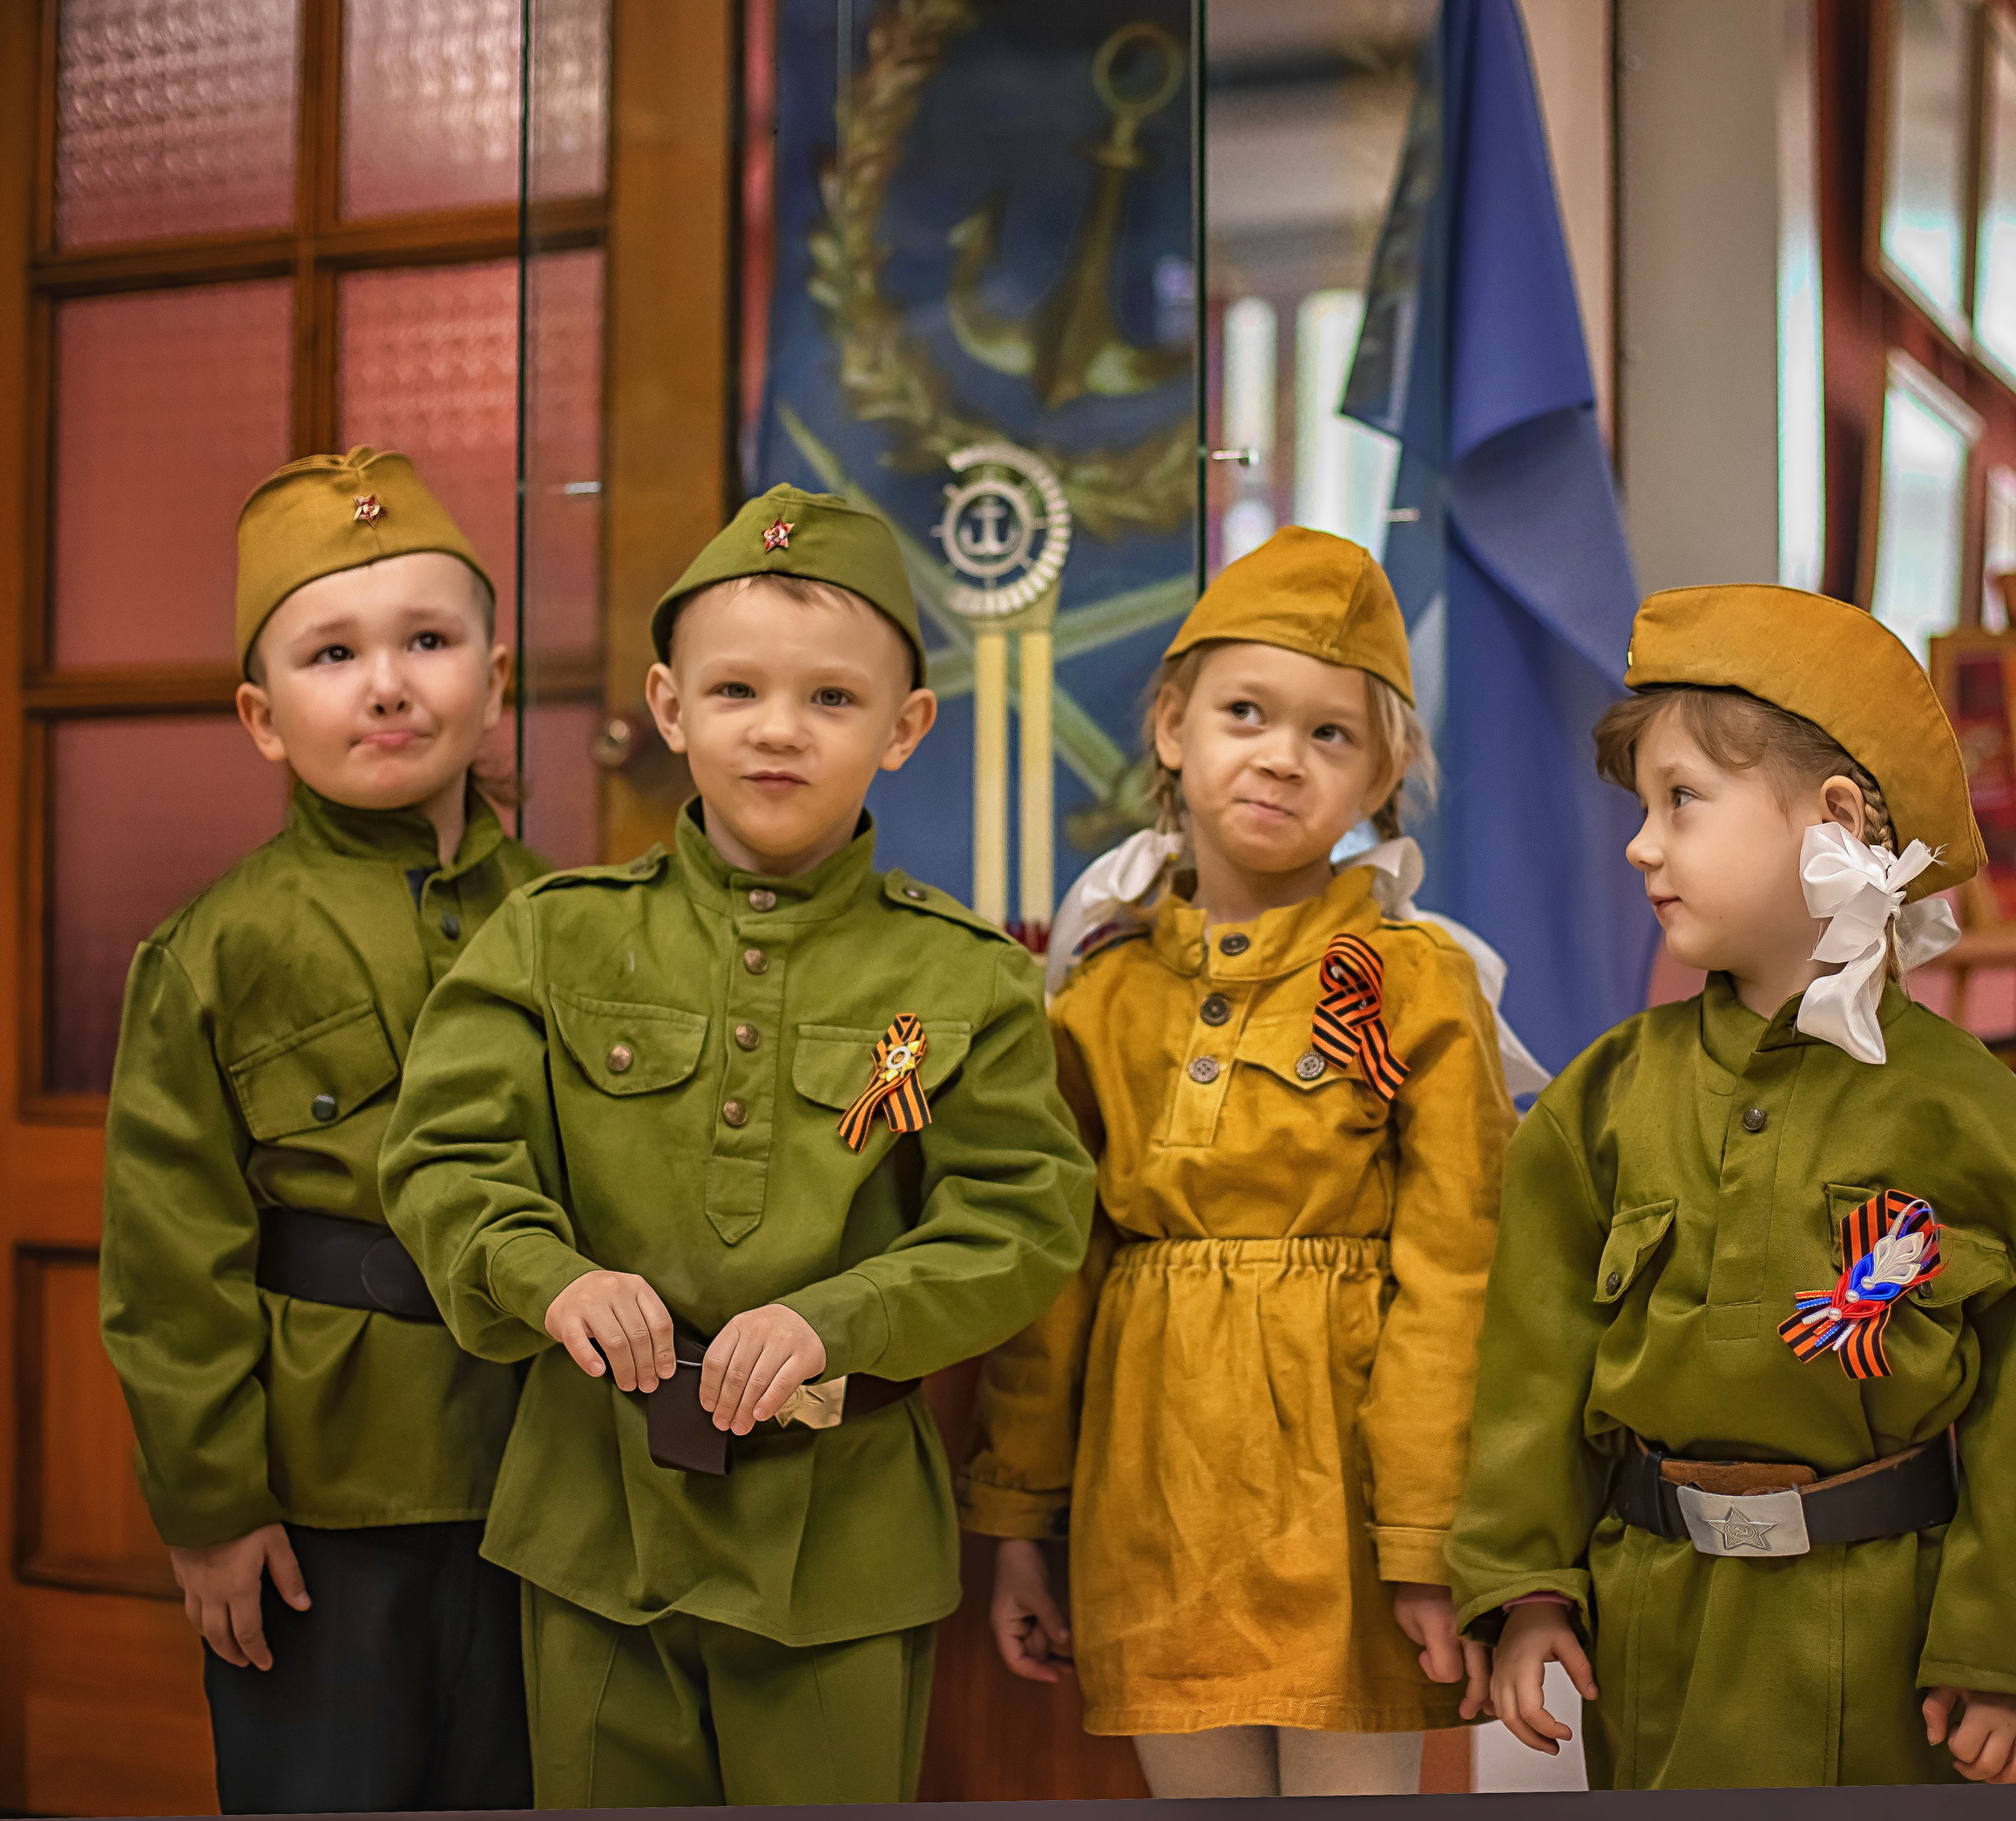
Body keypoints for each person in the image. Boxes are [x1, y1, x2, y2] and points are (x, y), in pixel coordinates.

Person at [379, 483, 1098, 1806]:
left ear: (906, 727)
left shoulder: (969, 975)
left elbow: (1023, 1216)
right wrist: (554, 1276)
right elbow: (444, 1159)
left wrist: (844, 1313)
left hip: (842, 1538)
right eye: (735, 692)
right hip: (597, 1520)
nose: (779, 730)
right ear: (667, 706)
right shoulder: (555, 935)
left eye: (832, 698)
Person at [1449, 583, 2016, 1787]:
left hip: (1890, 1641)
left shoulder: (1980, 1121)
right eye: (1644, 806)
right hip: (1657, 1631)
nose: (1644, 842)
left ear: (1835, 820)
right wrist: (1527, 1583)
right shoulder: (1600, 1108)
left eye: (1683, 800)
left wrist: (2006, 1647)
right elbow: (1529, 1376)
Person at [958, 527, 1518, 1797]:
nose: (1280, 754)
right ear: (1171, 725)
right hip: (1150, 1509)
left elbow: (1456, 1277)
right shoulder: (1101, 993)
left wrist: (1429, 1540)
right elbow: (1058, 1283)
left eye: (1332, 735)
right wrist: (1018, 1525)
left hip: (1352, 1519)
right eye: (1247, 712)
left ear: (1383, 773)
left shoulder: (1422, 986)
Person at [98, 447, 543, 1812]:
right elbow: (171, 1264)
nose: (390, 681)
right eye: (333, 651)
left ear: (496, 675)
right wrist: (212, 1507)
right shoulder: (216, 950)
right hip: (322, 1496)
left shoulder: (577, 920)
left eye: (428, 638)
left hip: (549, 1476)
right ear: (263, 713)